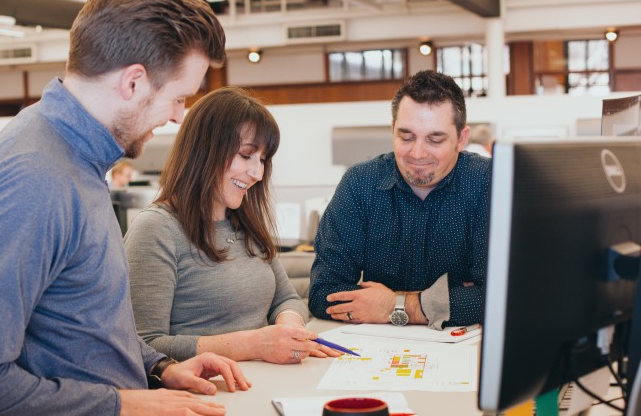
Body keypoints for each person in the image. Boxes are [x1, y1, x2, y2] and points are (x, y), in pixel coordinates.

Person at [0, 0, 251, 416]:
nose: (179, 117)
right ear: (133, 82)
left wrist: (158, 367)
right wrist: (121, 403)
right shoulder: (36, 177)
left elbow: (78, 322)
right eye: (178, 98)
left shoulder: (75, 155)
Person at [125, 87, 337, 365]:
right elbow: (144, 345)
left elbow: (287, 299)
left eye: (262, 160)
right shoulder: (156, 229)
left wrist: (289, 326)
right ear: (204, 151)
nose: (257, 173)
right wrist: (253, 344)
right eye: (246, 155)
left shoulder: (244, 221)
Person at [308, 70, 490, 330]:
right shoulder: (360, 184)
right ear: (392, 130)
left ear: (461, 139)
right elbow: (324, 294)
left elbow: (500, 297)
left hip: (462, 353)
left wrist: (395, 305)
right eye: (406, 137)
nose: (417, 153)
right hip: (375, 353)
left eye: (435, 139)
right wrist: (452, 300)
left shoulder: (488, 182)